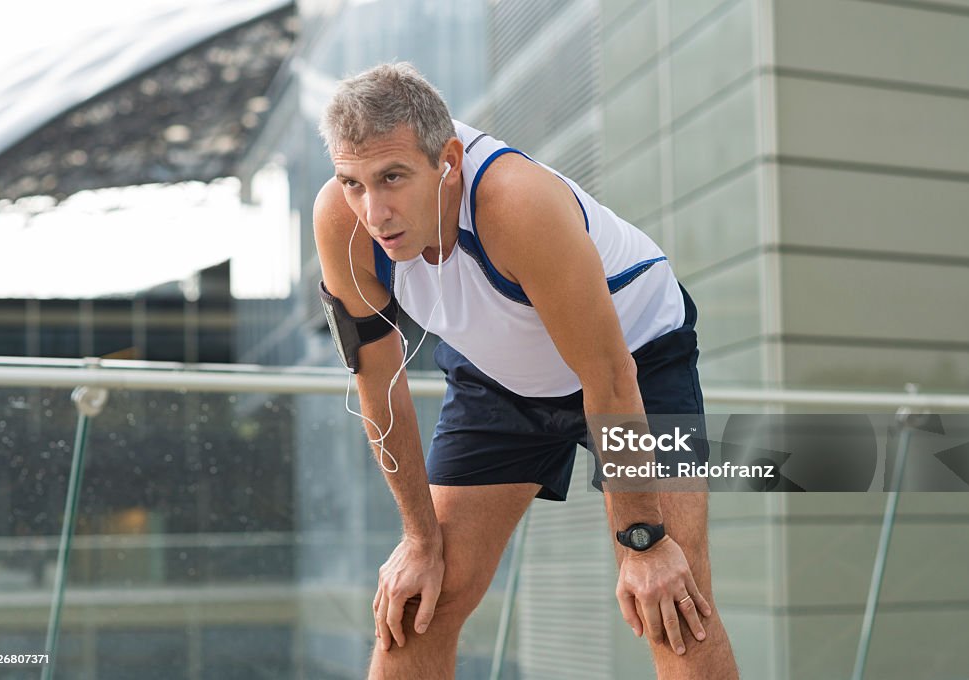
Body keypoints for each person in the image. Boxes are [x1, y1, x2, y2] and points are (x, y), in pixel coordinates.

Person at [313, 62, 739, 680]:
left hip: (636, 361)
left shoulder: (516, 203)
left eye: (393, 177)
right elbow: (378, 389)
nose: (373, 210)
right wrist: (419, 538)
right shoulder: (343, 223)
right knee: (418, 605)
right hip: (498, 379)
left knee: (672, 600)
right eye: (352, 182)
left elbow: (609, 377)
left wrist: (642, 541)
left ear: (448, 160)